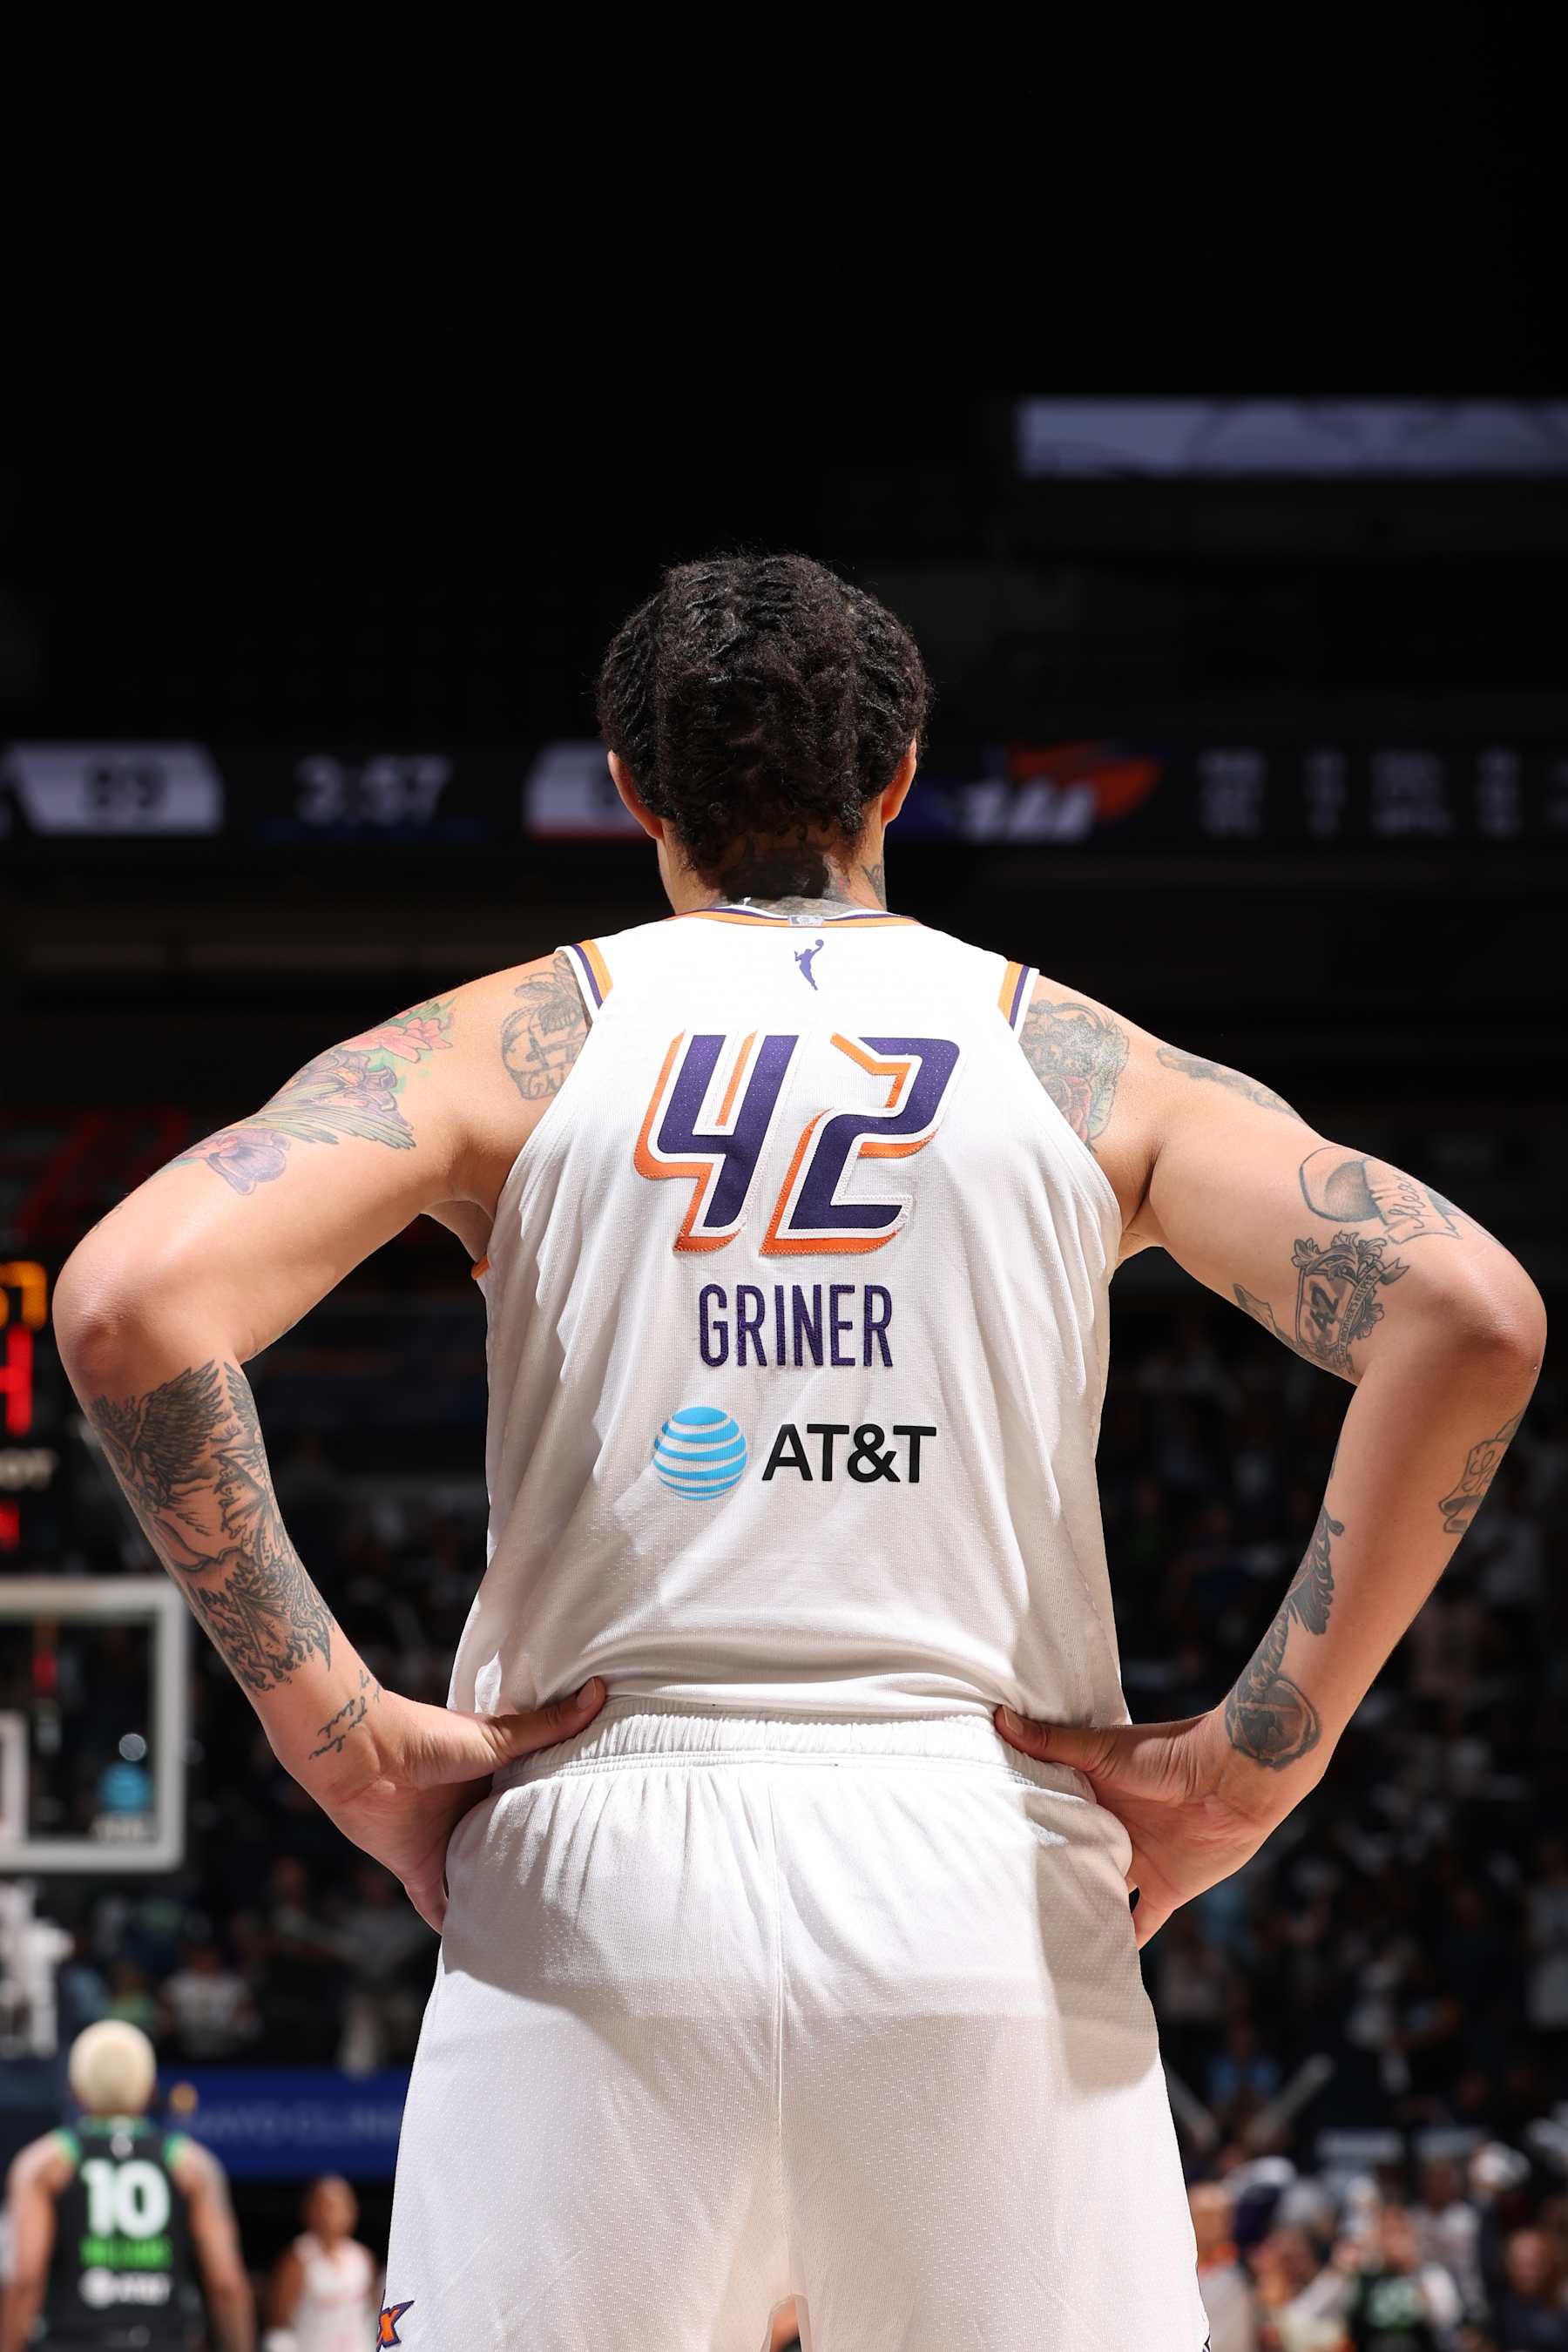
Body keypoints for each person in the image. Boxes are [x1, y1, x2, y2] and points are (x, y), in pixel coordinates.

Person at [53, 551, 1546, 2352]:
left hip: (589, 1866)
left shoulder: (516, 1043)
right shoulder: (1072, 1061)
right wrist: (1252, 1765)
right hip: (979, 1854)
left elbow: (129, 1302)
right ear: (901, 777)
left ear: (633, 796)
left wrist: (338, 1734)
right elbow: (1471, 1315)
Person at [1, 2019, 253, 2351]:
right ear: (150, 2089)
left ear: (75, 2089)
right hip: (165, 2342)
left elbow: (25, 2281)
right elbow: (226, 2286)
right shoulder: (190, 2164)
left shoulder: (45, 2164)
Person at [264, 2177, 378, 2352]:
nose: (330, 2215)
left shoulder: (362, 2257)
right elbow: (279, 2323)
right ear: (308, 2211)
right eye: (324, 2206)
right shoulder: (298, 2257)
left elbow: (372, 2315)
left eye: (340, 2207)